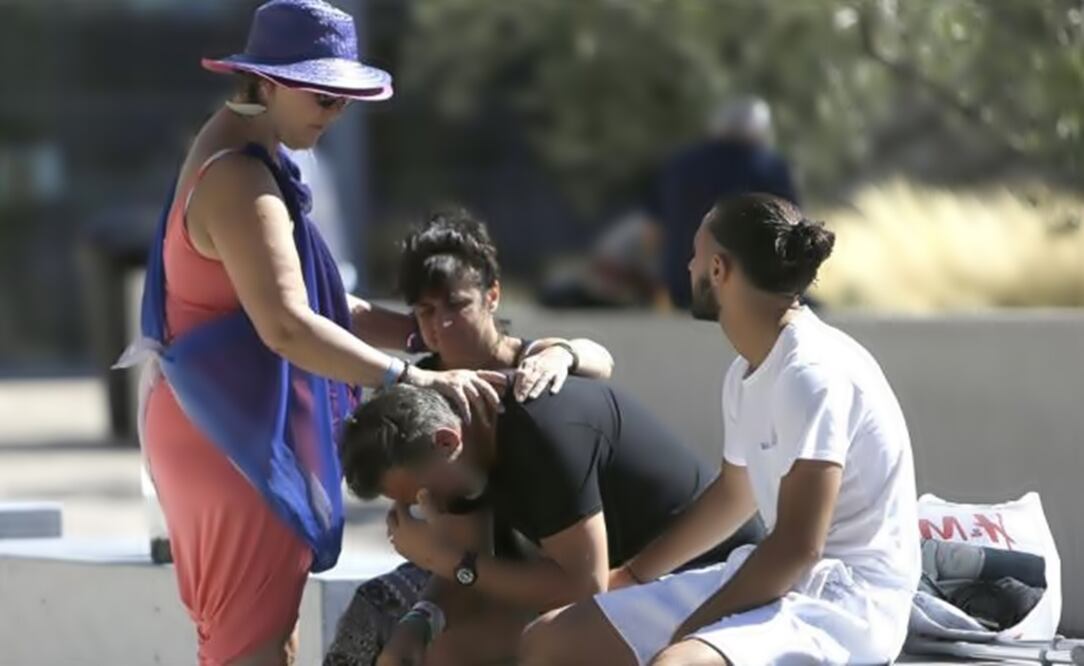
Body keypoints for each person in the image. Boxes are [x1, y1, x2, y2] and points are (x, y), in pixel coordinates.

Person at [123, 2, 507, 664]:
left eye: (345, 98)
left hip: (227, 426)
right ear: (265, 82)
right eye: (322, 95)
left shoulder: (248, 150)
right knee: (250, 646)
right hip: (232, 439)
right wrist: (412, 374)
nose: (335, 112)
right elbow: (288, 326)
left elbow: (315, 304)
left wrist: (422, 334)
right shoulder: (242, 176)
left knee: (260, 640)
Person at [521, 193, 920, 666]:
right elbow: (736, 493)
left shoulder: (810, 373)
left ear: (719, 269)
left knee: (677, 664)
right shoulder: (745, 373)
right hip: (780, 577)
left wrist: (693, 628)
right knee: (547, 640)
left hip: (846, 602)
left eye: (695, 254)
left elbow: (799, 546)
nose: (688, 265)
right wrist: (634, 574)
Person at [323, 209, 648, 664]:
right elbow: (461, 535)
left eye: (457, 305)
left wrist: (564, 354)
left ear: (492, 296)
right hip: (466, 563)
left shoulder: (530, 375)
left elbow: (598, 358)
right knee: (373, 613)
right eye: (426, 311)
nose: (443, 325)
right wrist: (422, 615)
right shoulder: (426, 388)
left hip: (541, 570)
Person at [338, 376, 764, 665]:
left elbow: (584, 587)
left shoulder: (539, 434)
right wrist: (421, 620)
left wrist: (447, 560)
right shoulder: (461, 458)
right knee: (444, 650)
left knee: (549, 641)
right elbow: (463, 572)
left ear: (447, 441)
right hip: (632, 583)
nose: (427, 505)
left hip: (712, 578)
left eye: (419, 493)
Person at [652, 97, 800, 308]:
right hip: (751, 288)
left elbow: (653, 230)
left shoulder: (680, 165)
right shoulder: (770, 169)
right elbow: (792, 230)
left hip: (685, 285)